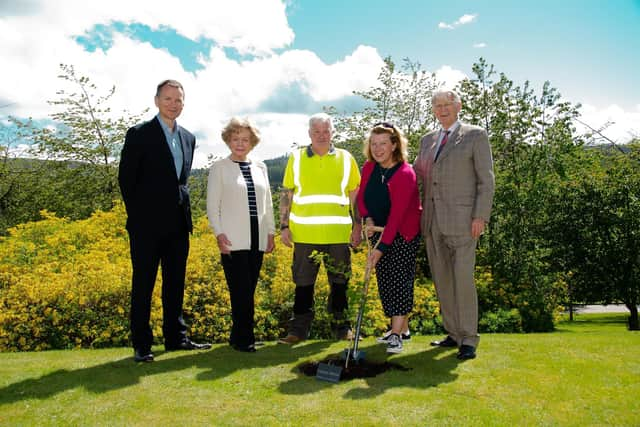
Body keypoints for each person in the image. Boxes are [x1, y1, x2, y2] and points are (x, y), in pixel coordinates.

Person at [119, 79, 211, 363]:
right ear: (156, 100)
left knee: (175, 283)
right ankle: (142, 344)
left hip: (178, 223)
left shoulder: (188, 138)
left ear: (183, 103)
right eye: (168, 98)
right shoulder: (139, 134)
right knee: (144, 283)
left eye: (178, 99)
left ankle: (176, 338)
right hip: (146, 225)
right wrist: (140, 218)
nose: (174, 104)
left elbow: (179, 181)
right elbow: (126, 181)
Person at [414, 89, 495, 360]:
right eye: (437, 105)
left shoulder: (475, 135)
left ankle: (469, 339)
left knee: (462, 280)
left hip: (463, 221)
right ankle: (452, 333)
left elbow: (486, 180)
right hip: (432, 221)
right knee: (443, 281)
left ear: (458, 106)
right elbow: (417, 176)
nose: (442, 109)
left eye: (447, 104)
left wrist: (480, 216)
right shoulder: (427, 140)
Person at [278, 113, 362, 344]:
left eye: (326, 131)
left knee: (340, 283)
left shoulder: (346, 159)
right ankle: (298, 331)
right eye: (317, 132)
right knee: (303, 284)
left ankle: (341, 328)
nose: (322, 136)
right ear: (309, 134)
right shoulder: (296, 159)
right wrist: (284, 225)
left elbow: (355, 195)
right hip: (305, 234)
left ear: (332, 132)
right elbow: (287, 194)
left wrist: (358, 226)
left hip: (338, 234)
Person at [206, 117, 275, 353]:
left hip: (257, 240)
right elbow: (212, 206)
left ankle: (237, 337)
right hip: (233, 240)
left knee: (249, 290)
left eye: (245, 139)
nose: (240, 143)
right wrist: (219, 233)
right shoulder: (219, 168)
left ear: (252, 142)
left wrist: (271, 232)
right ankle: (246, 338)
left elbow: (268, 203)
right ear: (228, 140)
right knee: (241, 291)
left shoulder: (261, 167)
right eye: (236, 139)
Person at [356, 122, 422, 354]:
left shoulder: (405, 173)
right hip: (379, 230)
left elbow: (397, 216)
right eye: (374, 143)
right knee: (385, 281)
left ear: (394, 145)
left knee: (399, 281)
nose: (378, 148)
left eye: (383, 143)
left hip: (403, 234)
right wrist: (368, 220)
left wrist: (381, 248)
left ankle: (396, 335)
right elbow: (362, 199)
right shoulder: (369, 168)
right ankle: (402, 329)